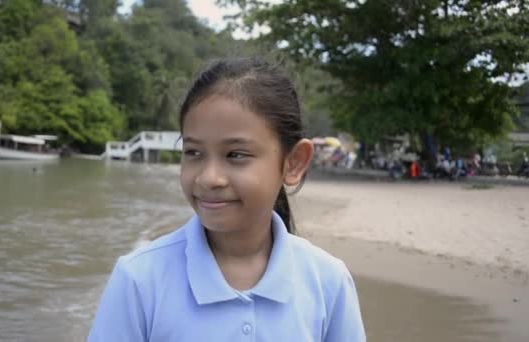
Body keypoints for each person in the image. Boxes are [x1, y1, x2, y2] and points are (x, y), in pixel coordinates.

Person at [88, 58, 366, 341]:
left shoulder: (328, 283)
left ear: (293, 163)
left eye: (236, 155)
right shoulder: (139, 279)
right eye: (194, 152)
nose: (209, 178)